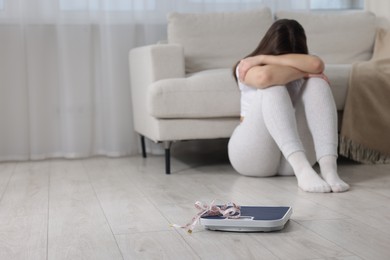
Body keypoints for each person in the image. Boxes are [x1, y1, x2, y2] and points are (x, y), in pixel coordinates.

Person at [228, 19, 349, 193]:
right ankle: (302, 170)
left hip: (291, 160)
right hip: (252, 156)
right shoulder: (247, 66)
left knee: (318, 83)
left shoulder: (303, 66)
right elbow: (265, 78)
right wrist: (263, 61)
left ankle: (329, 169)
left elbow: (316, 64)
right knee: (272, 88)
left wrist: (265, 58)